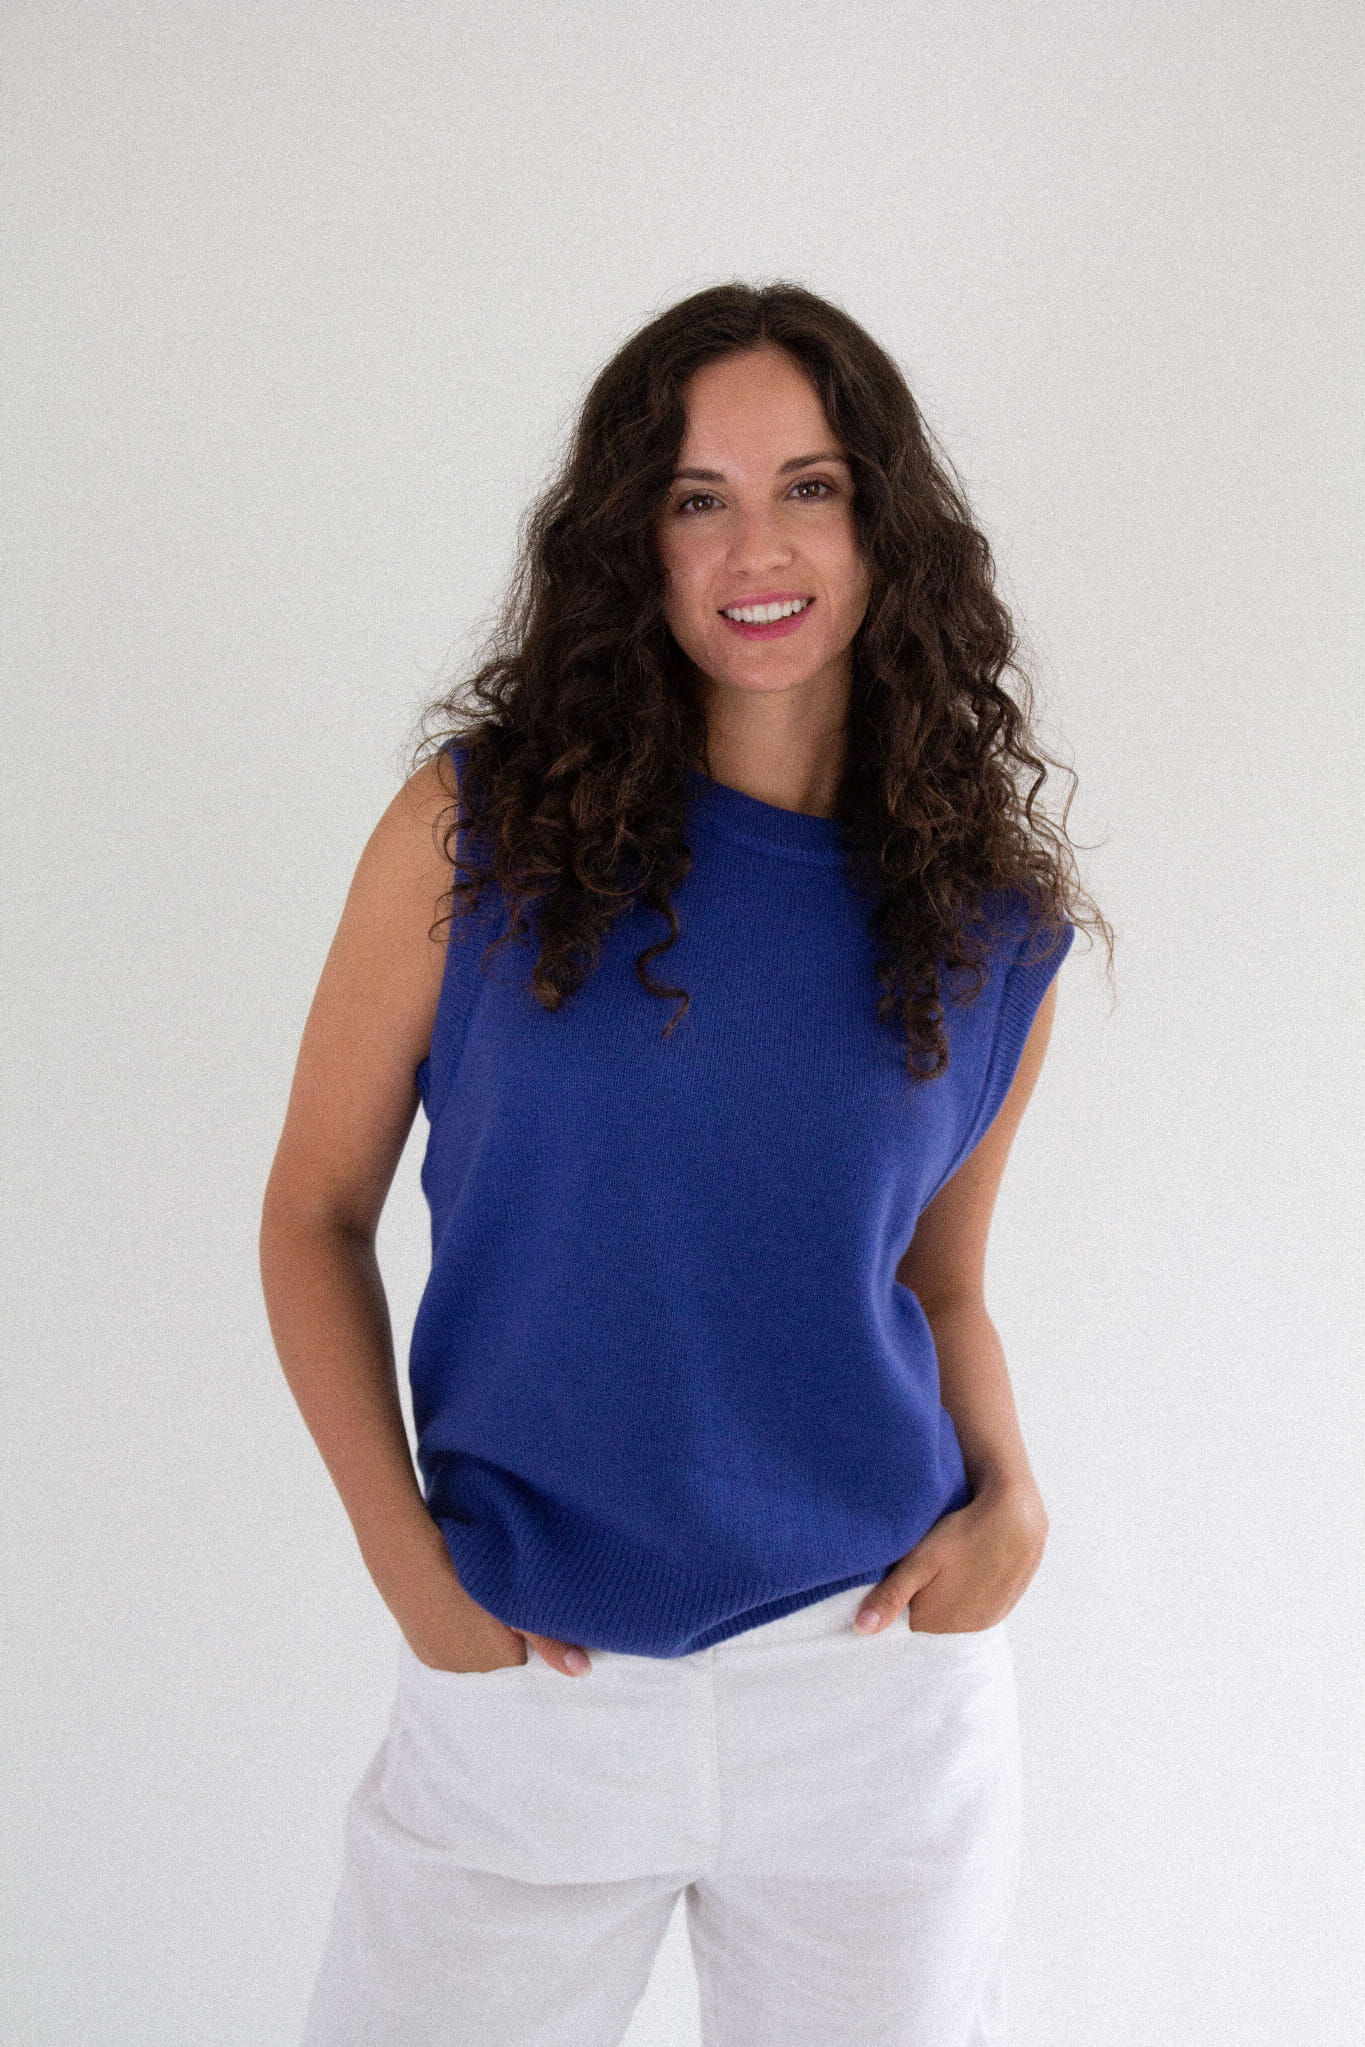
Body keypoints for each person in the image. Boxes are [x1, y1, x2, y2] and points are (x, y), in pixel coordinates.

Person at [259, 280, 1110, 2047]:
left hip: (874, 1704)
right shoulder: (476, 833)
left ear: (883, 526)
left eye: (810, 488)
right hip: (529, 1689)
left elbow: (938, 1280)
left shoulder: (988, 923)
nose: (755, 548)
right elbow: (313, 1214)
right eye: (695, 497)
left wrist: (1013, 1497)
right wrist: (413, 1578)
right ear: (629, 539)